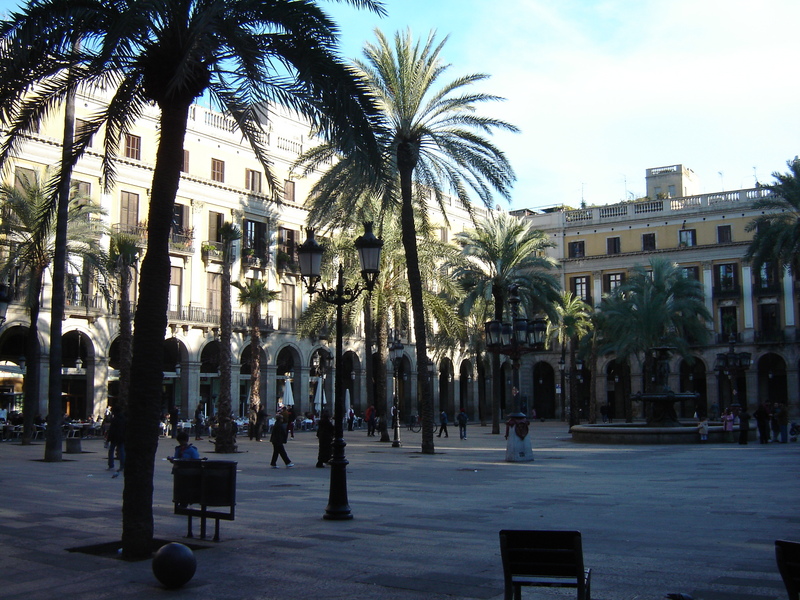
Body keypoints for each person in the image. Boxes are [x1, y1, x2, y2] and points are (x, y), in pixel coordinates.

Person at [106, 406, 126, 477]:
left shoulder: (114, 419)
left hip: (114, 437)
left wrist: (108, 439)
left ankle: (111, 465)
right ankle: (122, 466)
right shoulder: (124, 419)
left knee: (111, 451)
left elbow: (112, 430)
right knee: (122, 451)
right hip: (122, 437)